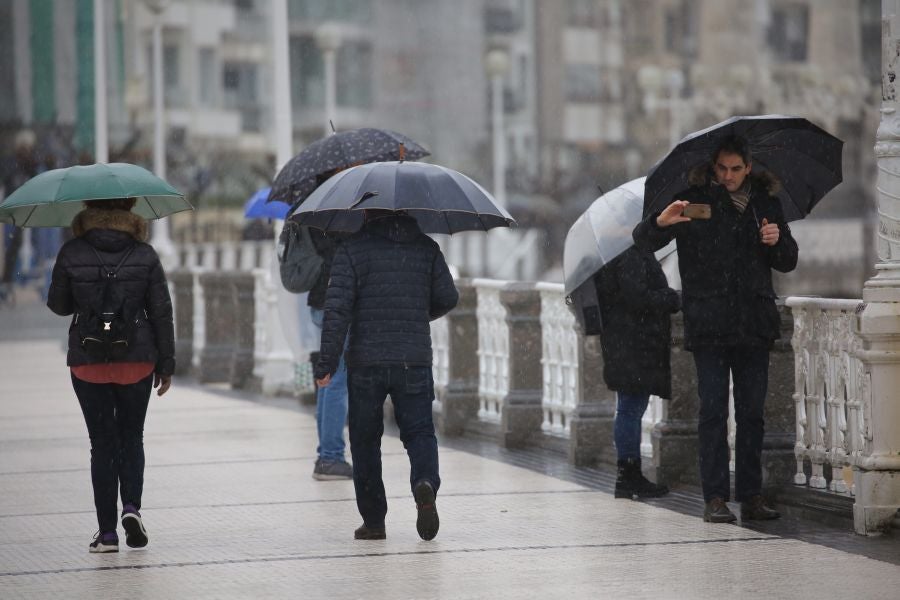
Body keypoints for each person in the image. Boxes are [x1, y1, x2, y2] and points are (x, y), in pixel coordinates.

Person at [633, 135, 798, 523]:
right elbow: (643, 241)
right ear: (713, 166)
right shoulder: (693, 202)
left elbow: (788, 261)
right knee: (712, 412)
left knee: (752, 413)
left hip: (754, 323)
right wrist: (661, 221)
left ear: (748, 166)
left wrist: (776, 241)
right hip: (709, 322)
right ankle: (715, 498)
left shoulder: (766, 204)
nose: (728, 177)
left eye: (735, 169)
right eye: (721, 169)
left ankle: (752, 496)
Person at [314, 210, 458, 541]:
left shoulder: (351, 250)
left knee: (365, 441)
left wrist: (327, 363)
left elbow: (337, 311)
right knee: (420, 432)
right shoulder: (426, 248)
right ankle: (424, 482)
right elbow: (448, 297)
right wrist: (418, 313)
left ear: (367, 213)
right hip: (414, 358)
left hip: (366, 360)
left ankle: (375, 521)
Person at [47, 197, 175, 552]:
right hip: (136, 360)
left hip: (89, 361)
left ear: (88, 208)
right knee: (132, 437)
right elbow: (161, 312)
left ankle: (106, 534)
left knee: (102, 444)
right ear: (131, 208)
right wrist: (166, 365)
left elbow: (58, 306)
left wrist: (86, 294)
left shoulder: (72, 251)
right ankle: (131, 506)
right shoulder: (144, 254)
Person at [594, 245, 679, 499]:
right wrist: (673, 298)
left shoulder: (612, 252)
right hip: (634, 344)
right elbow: (638, 298)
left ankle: (628, 474)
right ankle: (629, 475)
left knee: (628, 408)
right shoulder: (630, 252)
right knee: (630, 409)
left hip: (625, 342)